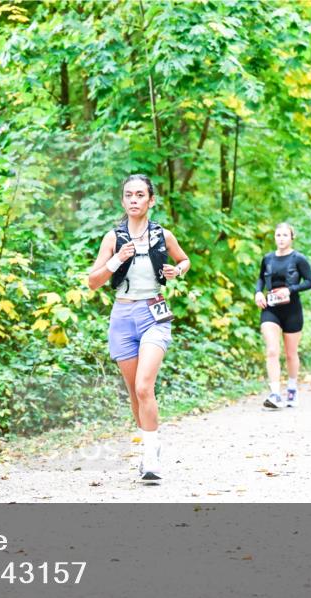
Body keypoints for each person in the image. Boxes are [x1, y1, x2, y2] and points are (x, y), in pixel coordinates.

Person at [87, 174, 190, 482]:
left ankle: (150, 458)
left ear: (151, 200)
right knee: (134, 391)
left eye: (140, 195)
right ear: (123, 201)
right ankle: (149, 445)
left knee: (145, 386)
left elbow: (184, 261)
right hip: (122, 316)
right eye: (128, 195)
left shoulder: (163, 235)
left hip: (153, 313)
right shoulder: (113, 238)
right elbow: (93, 282)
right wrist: (117, 260)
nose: (134, 200)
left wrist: (177, 271)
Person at [254, 223, 311, 409]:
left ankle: (292, 388)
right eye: (278, 235)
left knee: (290, 353)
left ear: (291, 238)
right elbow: (261, 278)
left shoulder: (299, 259)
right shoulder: (268, 258)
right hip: (270, 309)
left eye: (285, 235)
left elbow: (310, 282)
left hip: (292, 310)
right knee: (272, 350)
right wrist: (258, 292)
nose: (281, 238)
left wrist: (290, 289)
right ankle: (274, 393)